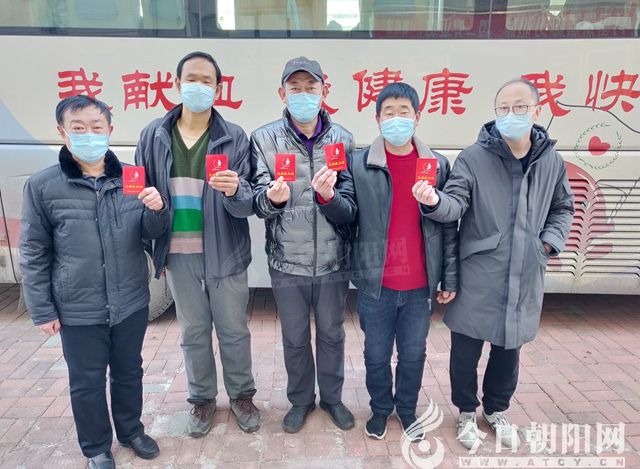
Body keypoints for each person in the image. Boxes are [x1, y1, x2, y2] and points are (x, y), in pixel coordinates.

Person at [417, 78, 574, 450]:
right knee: (465, 350)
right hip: (479, 272)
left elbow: (563, 208)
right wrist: (433, 201)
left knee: (508, 350)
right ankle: (466, 412)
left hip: (525, 272)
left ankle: (496, 409)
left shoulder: (551, 161)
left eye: (520, 107)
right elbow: (455, 203)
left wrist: (547, 244)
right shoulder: (474, 158)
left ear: (536, 111)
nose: (510, 114)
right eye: (503, 108)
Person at [20, 95, 168, 469]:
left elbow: (150, 233)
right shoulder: (43, 186)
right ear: (62, 132)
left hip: (130, 300)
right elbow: (34, 252)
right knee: (86, 381)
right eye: (79, 128)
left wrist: (157, 209)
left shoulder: (133, 177)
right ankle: (96, 447)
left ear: (109, 130)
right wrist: (42, 309)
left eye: (96, 127)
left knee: (129, 372)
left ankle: (131, 431)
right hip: (77, 307)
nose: (89, 134)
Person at [135, 51, 259, 437]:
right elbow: (140, 194)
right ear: (177, 84)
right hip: (178, 252)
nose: (199, 86)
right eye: (192, 79)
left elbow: (248, 202)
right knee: (193, 331)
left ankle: (241, 395)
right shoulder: (154, 135)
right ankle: (202, 399)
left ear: (218, 89)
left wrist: (236, 190)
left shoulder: (234, 136)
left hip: (226, 249)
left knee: (233, 329)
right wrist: (150, 213)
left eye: (207, 81)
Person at [250, 56, 357, 433]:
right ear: (282, 94)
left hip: (333, 260)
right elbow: (257, 202)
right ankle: (300, 401)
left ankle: (332, 399)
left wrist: (330, 198)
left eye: (311, 88)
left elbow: (350, 207)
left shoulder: (343, 139)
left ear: (324, 91)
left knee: (332, 334)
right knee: (294, 338)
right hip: (287, 261)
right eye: (295, 88)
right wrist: (273, 199)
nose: (303, 95)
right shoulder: (263, 138)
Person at [349, 82, 458, 441]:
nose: (397, 119)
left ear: (417, 117)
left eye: (404, 112)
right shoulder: (360, 163)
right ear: (377, 119)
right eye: (389, 113)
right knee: (376, 355)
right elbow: (347, 217)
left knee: (413, 355)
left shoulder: (436, 165)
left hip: (418, 287)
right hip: (376, 285)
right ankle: (381, 409)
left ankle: (407, 410)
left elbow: (448, 226)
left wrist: (449, 278)